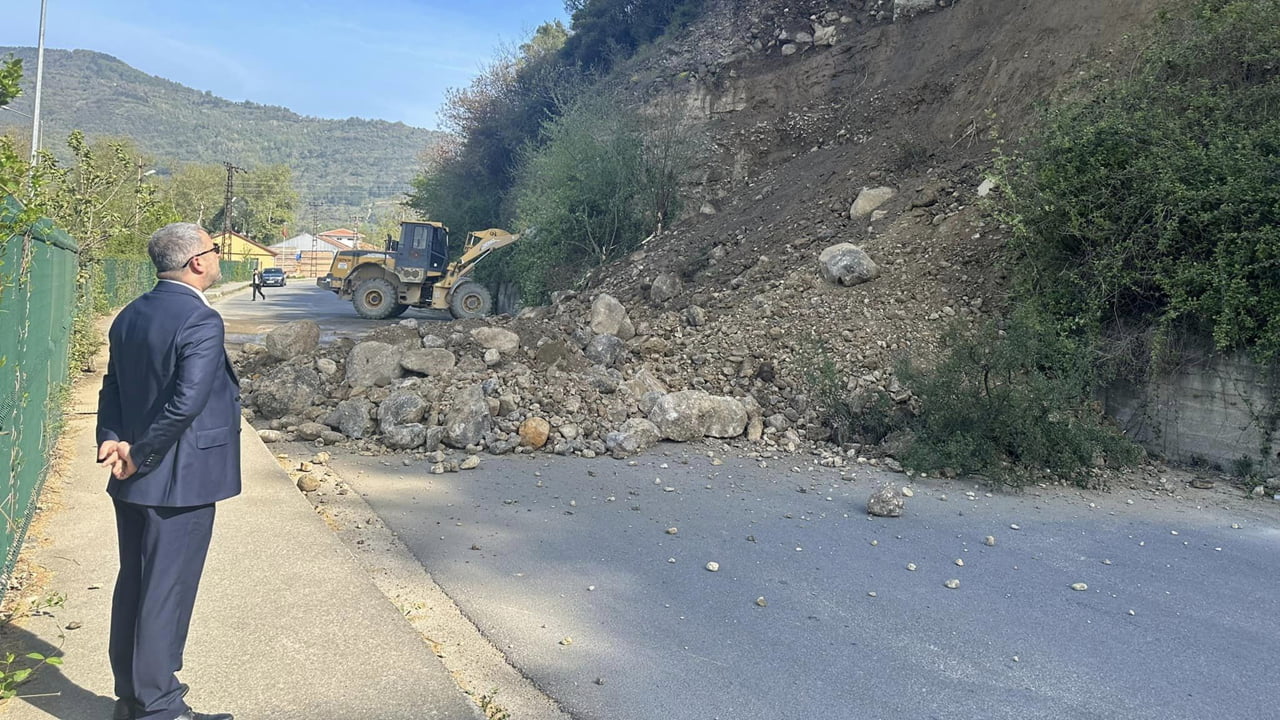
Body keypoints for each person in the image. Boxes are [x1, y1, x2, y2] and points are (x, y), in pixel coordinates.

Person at [97, 222, 239, 720]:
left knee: (135, 584)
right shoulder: (201, 320)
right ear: (197, 261)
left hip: (131, 477)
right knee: (167, 591)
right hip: (179, 479)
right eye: (215, 249)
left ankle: (132, 697)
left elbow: (111, 387)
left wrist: (111, 439)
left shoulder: (130, 314)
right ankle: (160, 707)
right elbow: (186, 403)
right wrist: (140, 451)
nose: (218, 257)